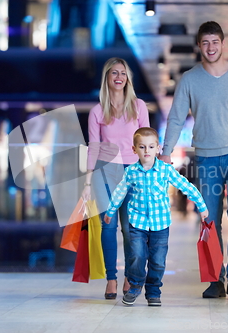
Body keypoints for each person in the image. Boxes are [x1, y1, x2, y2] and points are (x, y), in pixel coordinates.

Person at [160, 21, 228, 299]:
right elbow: (175, 118)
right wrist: (165, 151)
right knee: (209, 219)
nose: (210, 47)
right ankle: (214, 279)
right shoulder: (189, 79)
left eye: (215, 42)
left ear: (223, 44)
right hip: (207, 157)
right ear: (199, 46)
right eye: (205, 42)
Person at [104, 127, 209, 306]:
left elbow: (185, 185)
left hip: (160, 225)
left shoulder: (165, 170)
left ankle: (153, 291)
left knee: (158, 261)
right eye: (142, 147)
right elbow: (119, 192)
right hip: (137, 223)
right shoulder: (131, 172)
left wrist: (201, 205)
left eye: (151, 147)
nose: (147, 151)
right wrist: (110, 211)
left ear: (158, 148)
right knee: (137, 255)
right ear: (134, 149)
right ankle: (135, 285)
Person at [82, 57, 150, 299]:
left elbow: (146, 143)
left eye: (123, 73)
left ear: (128, 78)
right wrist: (88, 182)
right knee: (108, 227)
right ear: (107, 78)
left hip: (133, 172)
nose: (119, 77)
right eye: (114, 73)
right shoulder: (97, 111)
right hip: (105, 172)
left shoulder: (139, 106)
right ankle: (111, 279)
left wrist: (149, 174)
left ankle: (131, 277)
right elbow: (94, 146)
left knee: (131, 230)